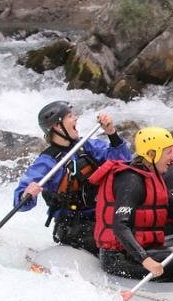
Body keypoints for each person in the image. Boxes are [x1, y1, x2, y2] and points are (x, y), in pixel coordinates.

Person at [14, 101, 132, 254]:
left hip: (102, 215)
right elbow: (19, 203)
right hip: (72, 226)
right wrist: (27, 193)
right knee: (120, 239)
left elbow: (124, 162)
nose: (76, 118)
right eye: (70, 116)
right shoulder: (46, 162)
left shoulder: (86, 145)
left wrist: (111, 133)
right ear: (57, 126)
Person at [89, 126, 173, 282]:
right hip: (120, 258)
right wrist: (145, 260)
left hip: (143, 248)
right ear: (151, 154)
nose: (172, 157)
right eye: (168, 152)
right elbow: (120, 226)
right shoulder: (131, 180)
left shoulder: (153, 175)